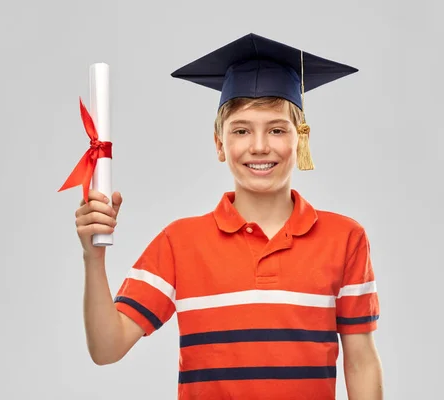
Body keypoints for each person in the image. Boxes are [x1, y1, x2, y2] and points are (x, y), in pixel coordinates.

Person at [74, 33, 383, 399]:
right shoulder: (180, 243)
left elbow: (360, 361)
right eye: (241, 130)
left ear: (300, 139)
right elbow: (106, 349)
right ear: (220, 144)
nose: (259, 146)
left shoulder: (344, 239)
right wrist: (94, 258)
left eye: (277, 129)